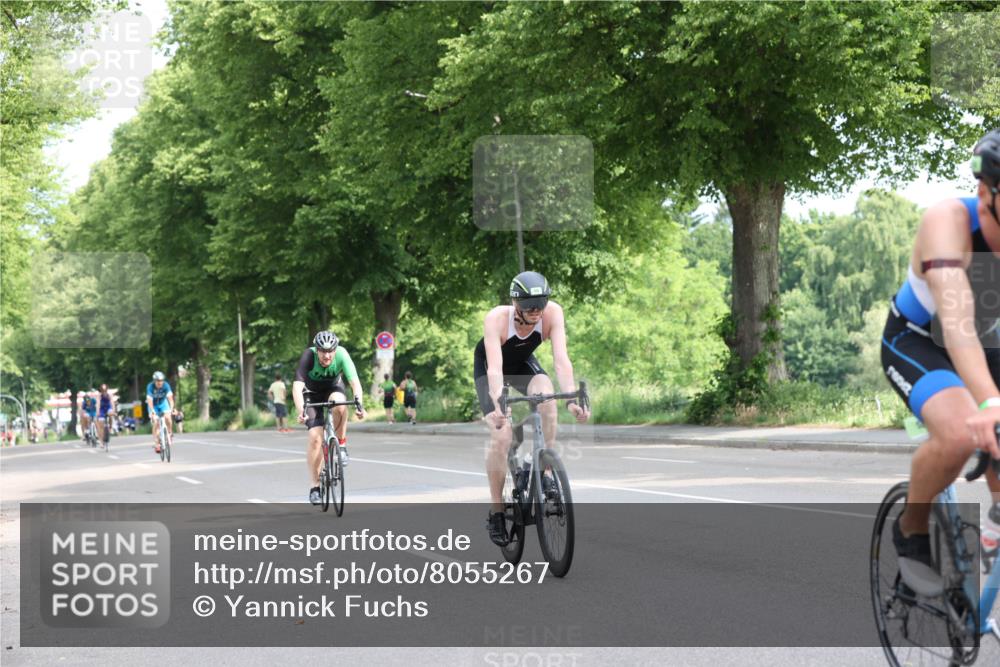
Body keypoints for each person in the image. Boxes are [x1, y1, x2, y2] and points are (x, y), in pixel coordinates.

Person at [883, 129, 1000, 570]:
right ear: (984, 191)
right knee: (960, 434)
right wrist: (988, 401)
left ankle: (995, 527)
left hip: (986, 340)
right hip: (918, 339)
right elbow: (955, 326)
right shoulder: (948, 223)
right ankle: (911, 527)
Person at [474, 270, 591, 545]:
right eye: (529, 306)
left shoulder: (553, 313)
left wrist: (572, 401)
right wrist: (498, 405)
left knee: (548, 399)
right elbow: (494, 368)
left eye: (541, 304)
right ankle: (497, 511)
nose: (537, 311)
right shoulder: (496, 318)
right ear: (516, 303)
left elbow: (561, 360)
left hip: (523, 365)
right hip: (492, 371)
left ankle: (545, 471)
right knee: (501, 436)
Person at [291, 330, 366, 505]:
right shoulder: (308, 356)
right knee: (315, 438)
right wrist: (301, 410)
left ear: (335, 349)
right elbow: (296, 387)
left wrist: (359, 404)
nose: (327, 355)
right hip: (311, 393)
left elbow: (355, 382)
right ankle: (315, 486)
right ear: (316, 350)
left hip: (333, 389)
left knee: (340, 404)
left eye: (330, 351)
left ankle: (341, 444)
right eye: (323, 351)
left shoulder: (342, 354)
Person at [145, 371, 175, 455]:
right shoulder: (150, 387)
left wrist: (172, 409)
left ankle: (169, 432)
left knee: (168, 417)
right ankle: (157, 443)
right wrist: (152, 411)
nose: (160, 382)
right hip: (153, 405)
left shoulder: (166, 385)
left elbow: (170, 399)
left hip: (163, 404)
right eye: (158, 381)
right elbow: (150, 401)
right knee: (156, 421)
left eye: (161, 380)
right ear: (154, 381)